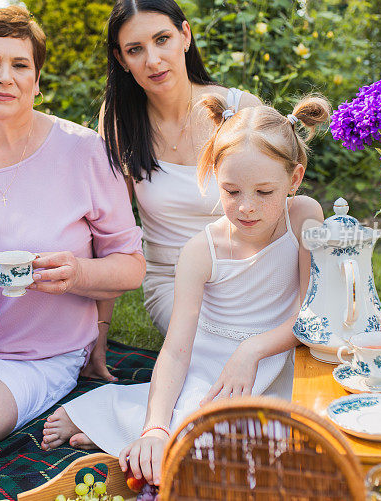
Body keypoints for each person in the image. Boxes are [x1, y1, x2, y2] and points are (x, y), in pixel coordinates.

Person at [41, 94, 331, 486]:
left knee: (288, 439)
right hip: (211, 365)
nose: (246, 207)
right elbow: (177, 350)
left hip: (278, 354)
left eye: (264, 193)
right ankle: (123, 421)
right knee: (189, 430)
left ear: (293, 180)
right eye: (231, 191)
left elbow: (311, 315)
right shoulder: (201, 251)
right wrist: (155, 430)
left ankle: (117, 427)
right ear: (215, 176)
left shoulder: (304, 217)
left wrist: (253, 349)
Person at [0, 5, 144, 474]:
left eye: (20, 65)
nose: (5, 77)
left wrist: (78, 273)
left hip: (33, 356)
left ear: (37, 80)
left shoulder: (84, 151)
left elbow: (130, 264)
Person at [86, 0, 265, 381]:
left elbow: (279, 213)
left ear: (185, 35)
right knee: (222, 364)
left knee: (279, 358)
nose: (153, 60)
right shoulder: (119, 122)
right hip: (175, 285)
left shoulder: (240, 110)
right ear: (121, 58)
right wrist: (98, 335)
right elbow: (109, 233)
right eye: (135, 49)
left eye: (162, 39)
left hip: (253, 274)